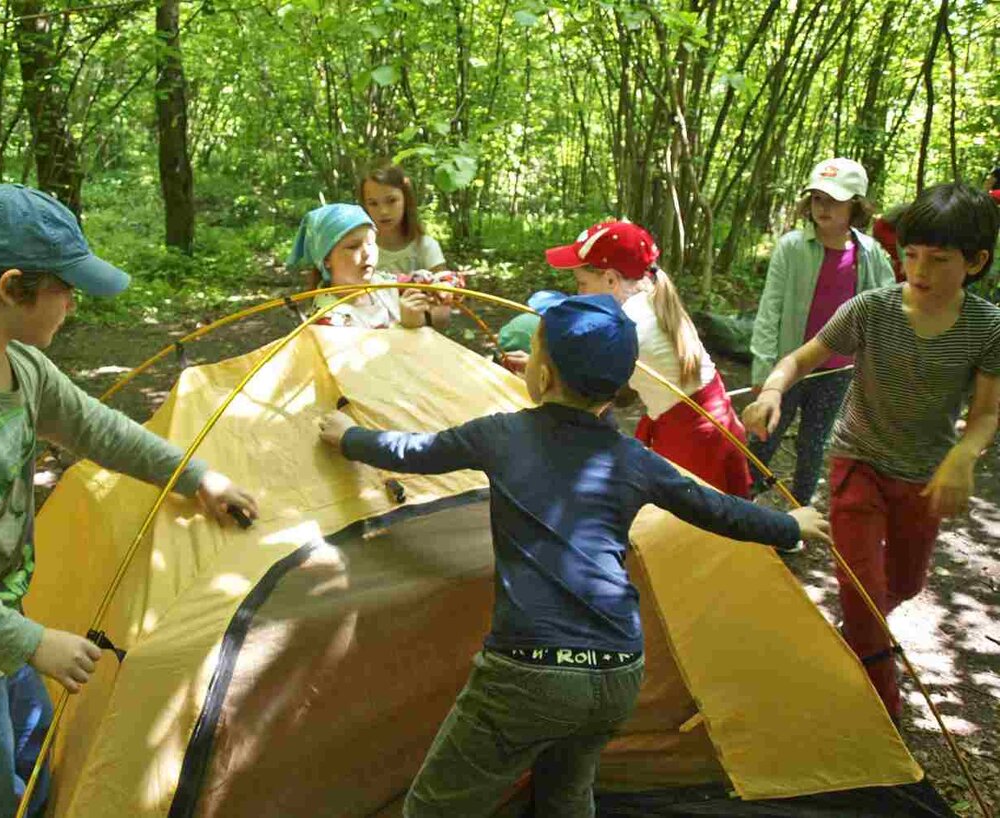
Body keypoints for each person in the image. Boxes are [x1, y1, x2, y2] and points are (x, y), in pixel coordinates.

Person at [318, 293, 832, 818]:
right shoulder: (633, 459)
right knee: (566, 795)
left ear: (541, 377)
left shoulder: (501, 435)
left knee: (434, 808)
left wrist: (347, 436)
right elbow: (714, 508)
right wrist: (787, 525)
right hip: (617, 670)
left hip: (529, 670)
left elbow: (413, 452)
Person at [0, 184, 259, 818]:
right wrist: (34, 642)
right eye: (66, 289)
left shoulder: (20, 365)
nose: (73, 306)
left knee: (34, 747)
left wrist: (195, 477)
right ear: (12, 288)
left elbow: (97, 428)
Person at [743, 182, 1000, 720]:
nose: (919, 271)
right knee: (861, 585)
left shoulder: (988, 327)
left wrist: (963, 456)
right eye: (910, 255)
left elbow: (986, 414)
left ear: (975, 262)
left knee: (903, 584)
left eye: (938, 259)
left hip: (921, 476)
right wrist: (771, 389)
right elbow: (801, 359)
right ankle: (879, 709)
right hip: (857, 461)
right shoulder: (871, 309)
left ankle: (855, 634)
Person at [502, 221, 754, 498]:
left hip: (695, 439)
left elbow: (585, 391)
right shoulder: (649, 296)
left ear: (611, 280)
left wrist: (538, 370)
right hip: (702, 422)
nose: (578, 294)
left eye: (582, 283)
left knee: (690, 526)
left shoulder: (631, 323)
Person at [749, 158, 894, 511]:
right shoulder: (792, 247)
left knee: (814, 443)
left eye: (833, 199)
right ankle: (740, 504)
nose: (822, 207)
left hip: (838, 372)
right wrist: (762, 369)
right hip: (788, 367)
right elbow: (770, 310)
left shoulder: (870, 254)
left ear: (856, 205)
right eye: (816, 198)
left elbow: (887, 311)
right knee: (763, 438)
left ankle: (799, 515)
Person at [286, 202, 439, 329]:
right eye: (353, 246)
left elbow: (417, 281)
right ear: (326, 260)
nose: (367, 253)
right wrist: (408, 326)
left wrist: (439, 283)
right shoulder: (330, 320)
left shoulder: (380, 284)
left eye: (371, 243)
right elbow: (366, 362)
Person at [359, 163, 456, 326]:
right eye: (373, 203)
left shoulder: (425, 247)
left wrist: (416, 319)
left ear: (406, 199)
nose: (383, 211)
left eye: (391, 201)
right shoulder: (361, 250)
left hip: (419, 339)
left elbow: (444, 310)